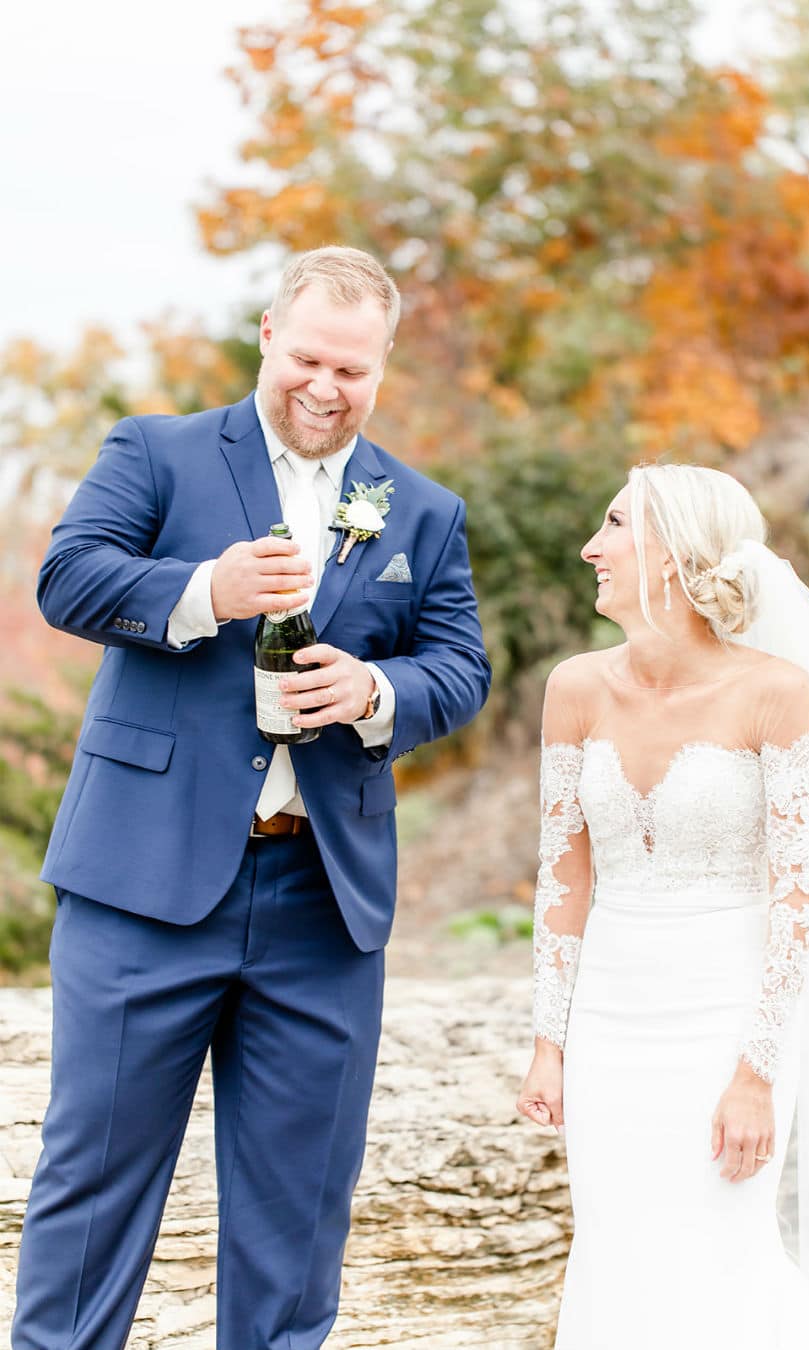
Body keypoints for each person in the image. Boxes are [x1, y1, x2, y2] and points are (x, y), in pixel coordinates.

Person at [13, 245, 491, 1350]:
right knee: (93, 1186)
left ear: (384, 371)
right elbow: (68, 575)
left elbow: (459, 667)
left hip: (324, 904)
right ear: (269, 336)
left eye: (355, 372)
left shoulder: (415, 508)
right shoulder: (158, 451)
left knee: (299, 1212)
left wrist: (375, 688)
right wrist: (204, 591)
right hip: (143, 884)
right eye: (311, 359)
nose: (327, 389)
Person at [516, 463, 809, 1350]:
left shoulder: (774, 693)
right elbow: (564, 876)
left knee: (720, 1252)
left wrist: (758, 1071)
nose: (590, 547)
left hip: (729, 1024)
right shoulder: (574, 687)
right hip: (610, 1024)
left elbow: (799, 894)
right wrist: (549, 1042)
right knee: (615, 1253)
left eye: (615, 526)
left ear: (672, 554)